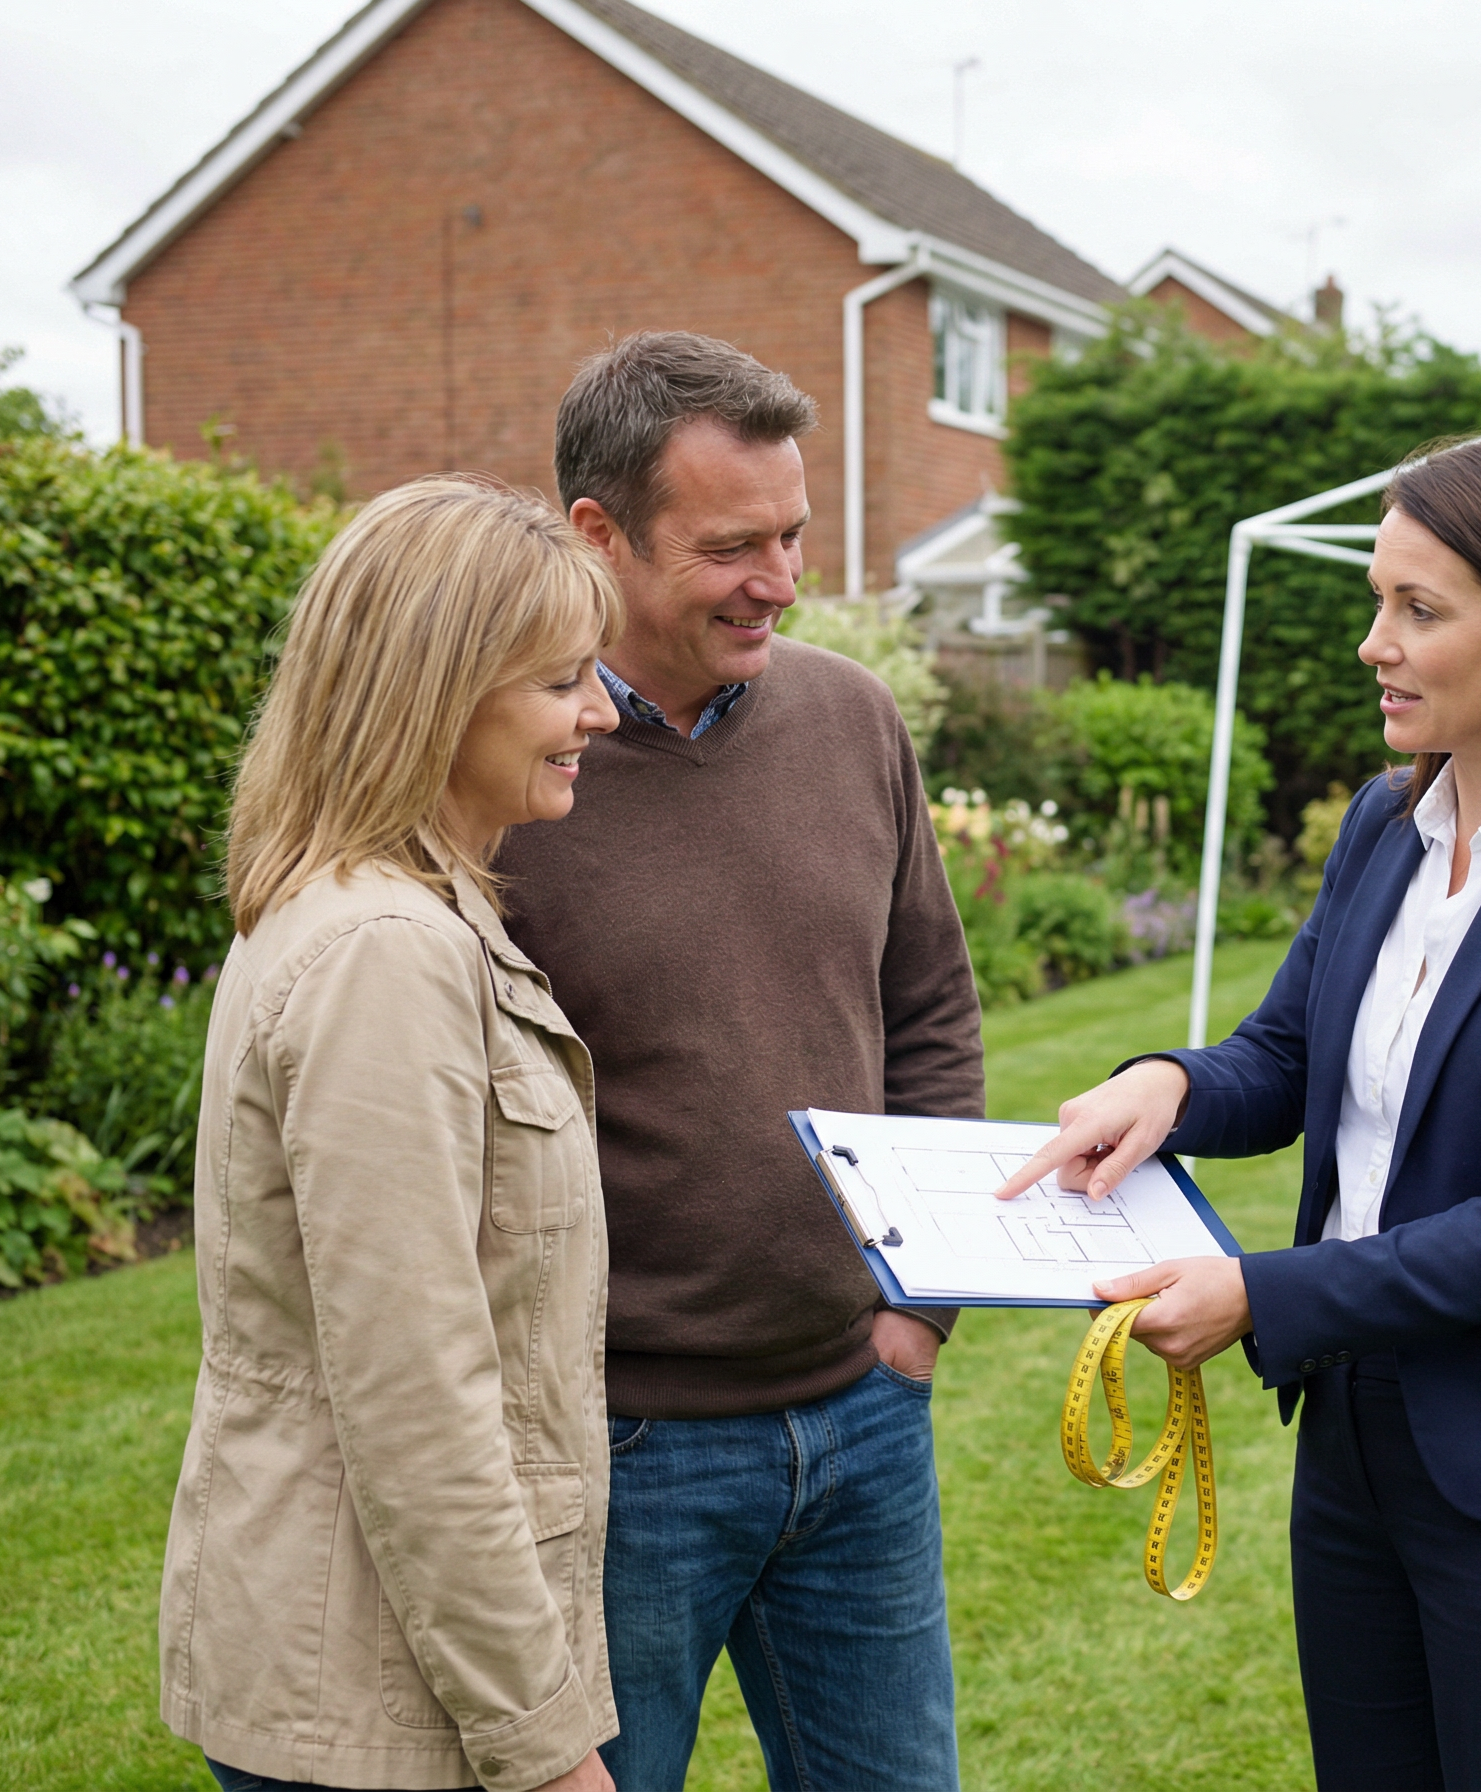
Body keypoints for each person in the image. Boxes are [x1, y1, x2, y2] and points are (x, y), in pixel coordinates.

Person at [1000, 434, 1481, 1791]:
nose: (1371, 644)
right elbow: (1287, 1058)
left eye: (1419, 608)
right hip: (1358, 1445)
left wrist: (1259, 1295)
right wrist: (1167, 1081)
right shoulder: (1380, 824)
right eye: (1377, 600)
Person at [492, 331, 982, 1792]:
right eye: (731, 547)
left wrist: (920, 1316)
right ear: (598, 534)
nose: (779, 579)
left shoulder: (853, 718)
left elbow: (934, 1022)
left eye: (793, 536)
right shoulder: (501, 771)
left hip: (862, 1420)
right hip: (624, 1454)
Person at [160, 476, 626, 1792]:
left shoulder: (400, 911)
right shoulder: (384, 950)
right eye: (560, 682)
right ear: (436, 691)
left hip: (374, 1670)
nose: (599, 712)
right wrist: (544, 1751)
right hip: (372, 1703)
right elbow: (417, 1399)